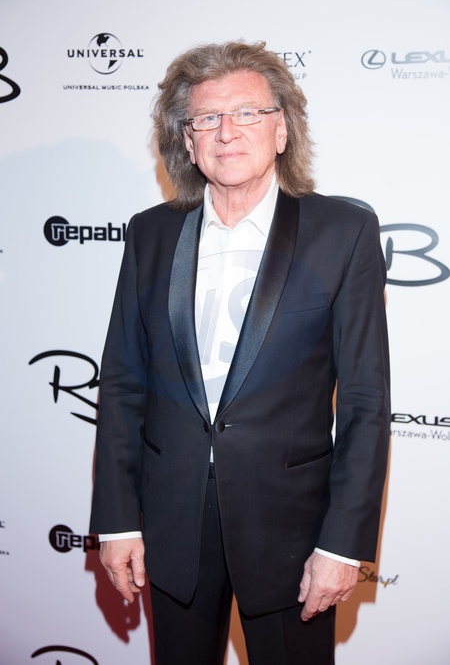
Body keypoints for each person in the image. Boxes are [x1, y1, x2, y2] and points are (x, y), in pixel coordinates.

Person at [90, 40, 390, 665]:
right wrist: (117, 520)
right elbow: (121, 383)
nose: (227, 132)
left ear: (282, 130)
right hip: (171, 522)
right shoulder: (150, 233)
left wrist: (342, 543)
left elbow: (365, 400)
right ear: (188, 139)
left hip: (292, 531)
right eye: (207, 118)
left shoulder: (343, 232)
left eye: (248, 113)